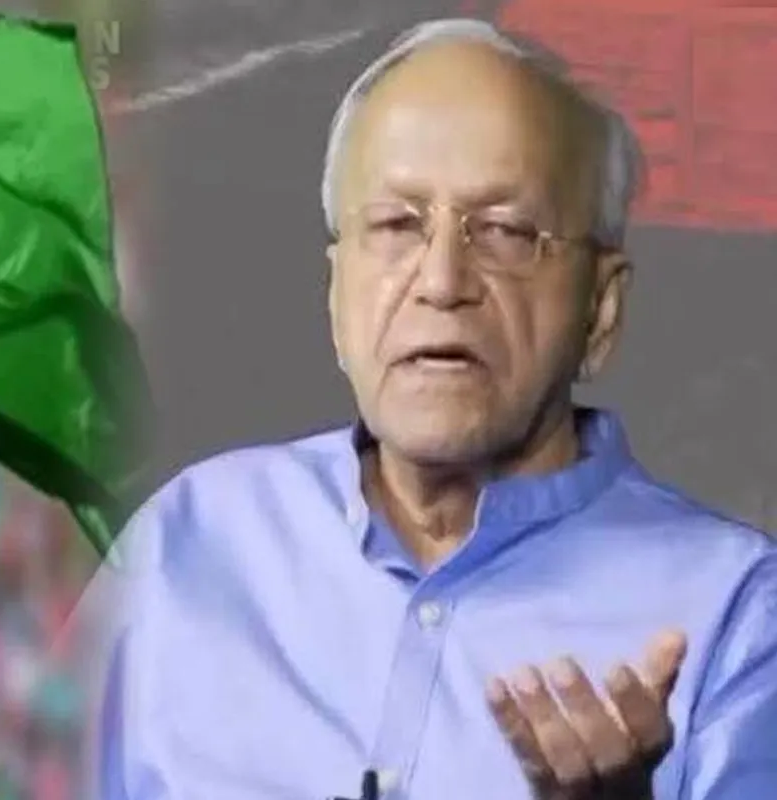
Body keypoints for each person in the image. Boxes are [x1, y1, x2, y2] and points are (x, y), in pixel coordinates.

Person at [77, 18, 777, 800]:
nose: (442, 281)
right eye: (396, 225)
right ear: (336, 295)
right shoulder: (186, 544)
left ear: (600, 308)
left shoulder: (737, 615)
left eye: (506, 232)